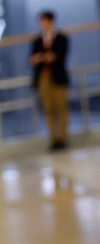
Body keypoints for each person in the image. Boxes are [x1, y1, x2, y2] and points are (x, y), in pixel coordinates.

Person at [30, 10, 70, 150]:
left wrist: (43, 57)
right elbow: (34, 59)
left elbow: (58, 56)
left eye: (45, 22)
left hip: (58, 77)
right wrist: (44, 57)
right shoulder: (37, 40)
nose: (43, 25)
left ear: (52, 22)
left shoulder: (61, 37)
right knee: (48, 108)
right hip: (43, 77)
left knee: (61, 108)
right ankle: (53, 139)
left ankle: (63, 138)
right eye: (41, 22)